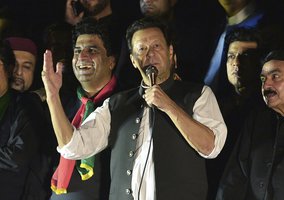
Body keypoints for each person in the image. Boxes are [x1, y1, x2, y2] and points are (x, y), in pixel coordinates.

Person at [42, 17, 227, 200]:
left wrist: (169, 106)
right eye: (141, 49)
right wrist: (52, 97)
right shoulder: (117, 103)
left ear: (170, 52)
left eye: (157, 46)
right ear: (132, 60)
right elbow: (73, 147)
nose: (150, 54)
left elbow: (211, 147)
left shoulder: (198, 94)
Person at [216, 47, 284, 199]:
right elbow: (234, 179)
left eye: (275, 76)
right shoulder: (256, 121)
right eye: (263, 79)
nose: (266, 86)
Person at [49, 18, 118, 200]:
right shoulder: (63, 101)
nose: (82, 57)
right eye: (77, 51)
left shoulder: (124, 103)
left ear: (111, 61)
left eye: (92, 50)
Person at [206, 27, 265, 199]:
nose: (236, 63)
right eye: (231, 56)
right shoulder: (212, 103)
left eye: (246, 56)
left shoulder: (267, 109)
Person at [0, 40, 52, 199]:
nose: (18, 72)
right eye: (15, 65)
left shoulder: (28, 104)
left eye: (27, 67)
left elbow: (18, 155)